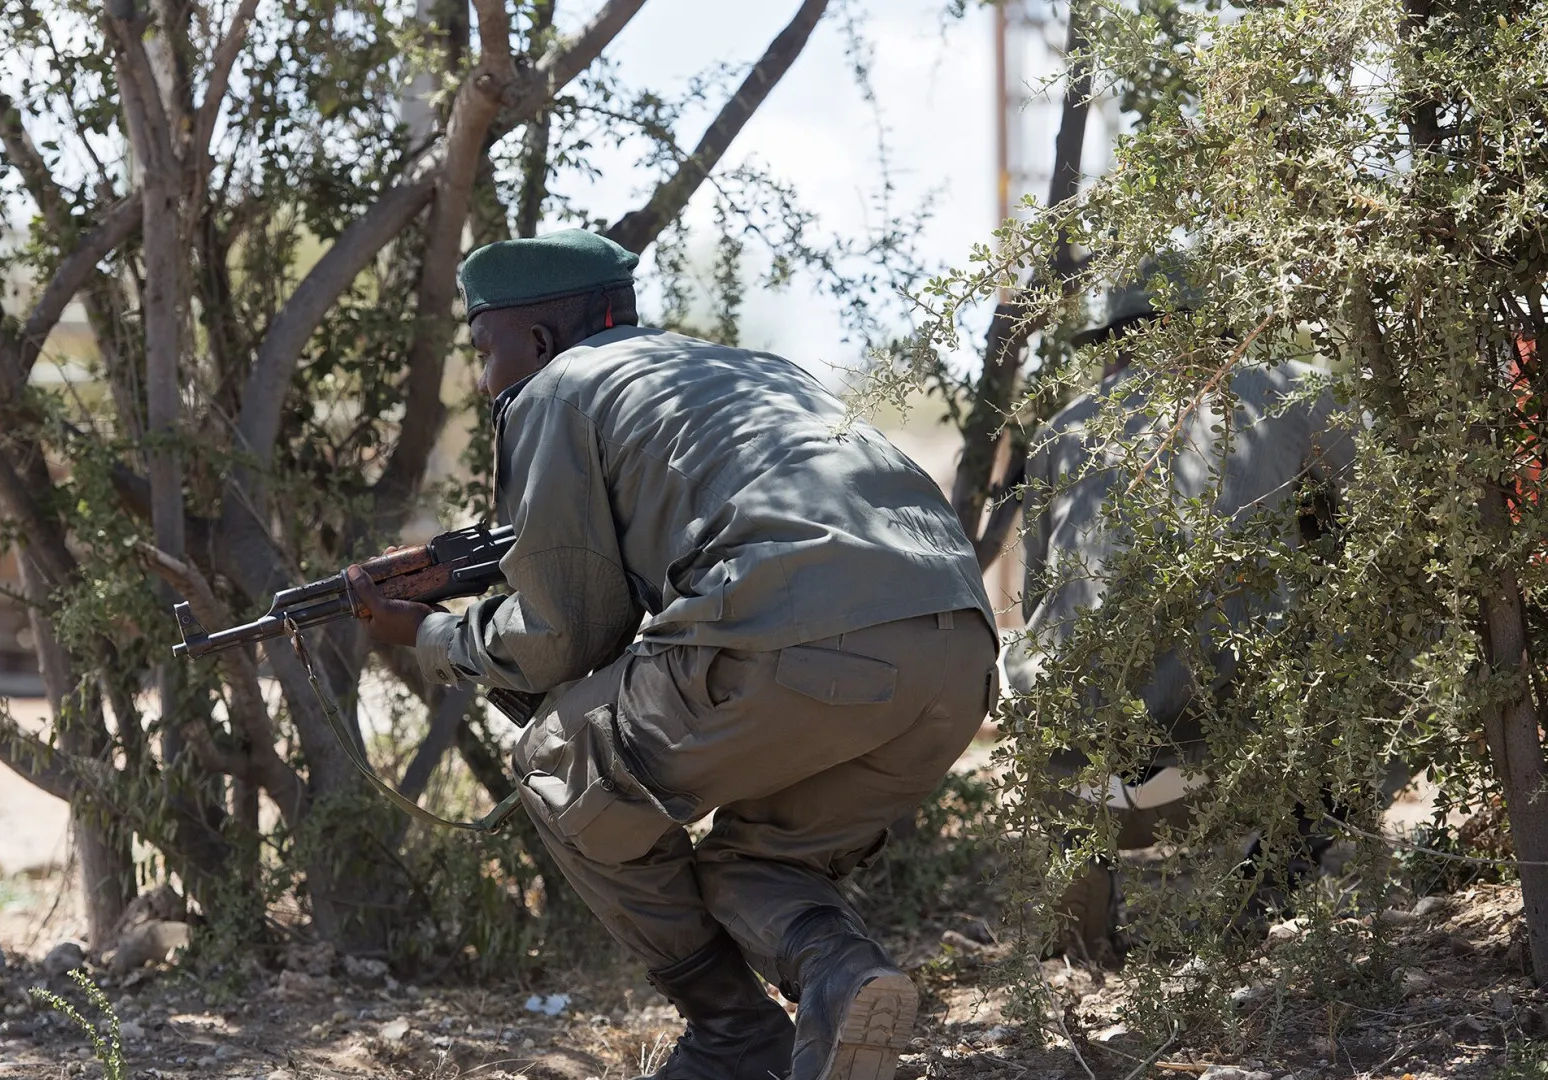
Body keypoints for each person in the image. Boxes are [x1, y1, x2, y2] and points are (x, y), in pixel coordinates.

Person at [348, 229, 999, 1080]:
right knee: (760, 863)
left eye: (483, 349)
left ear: (538, 341)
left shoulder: (558, 389)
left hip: (789, 639)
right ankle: (842, 974)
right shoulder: (757, 371)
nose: (483, 377)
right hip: (955, 656)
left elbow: (562, 638)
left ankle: (734, 1034)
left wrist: (431, 637)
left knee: (554, 759)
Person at [1001, 265, 1359, 960]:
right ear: (1212, 323)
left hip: (1090, 758)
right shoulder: (1287, 392)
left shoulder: (1060, 431)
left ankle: (1083, 872)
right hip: (1234, 749)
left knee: (1035, 656)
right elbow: (1392, 509)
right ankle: (1255, 907)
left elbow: (1043, 591)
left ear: (1121, 340)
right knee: (1390, 634)